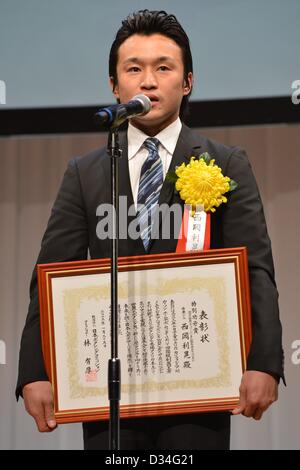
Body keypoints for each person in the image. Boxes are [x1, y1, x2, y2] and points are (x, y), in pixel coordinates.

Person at [16, 10, 284, 450]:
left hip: (198, 379)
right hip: (111, 386)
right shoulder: (85, 173)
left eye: (164, 67)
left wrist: (264, 363)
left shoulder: (225, 162)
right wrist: (35, 371)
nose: (148, 81)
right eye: (134, 68)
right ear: (114, 86)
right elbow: (49, 274)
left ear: (187, 81)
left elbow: (257, 269)